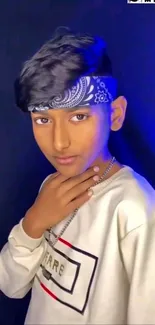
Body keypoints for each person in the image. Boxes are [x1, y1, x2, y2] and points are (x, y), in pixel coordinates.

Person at [1, 28, 155, 325]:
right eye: (43, 119)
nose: (59, 142)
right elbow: (11, 285)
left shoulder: (136, 212)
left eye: (78, 116)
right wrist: (33, 224)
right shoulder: (52, 187)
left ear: (115, 114)